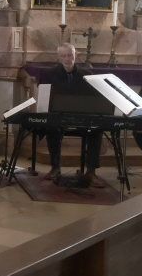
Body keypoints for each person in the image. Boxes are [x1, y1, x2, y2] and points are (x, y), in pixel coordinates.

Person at [38, 43, 105, 186]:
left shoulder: (87, 74)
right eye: (63, 56)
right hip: (60, 117)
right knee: (51, 128)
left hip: (82, 117)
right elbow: (45, 96)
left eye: (70, 55)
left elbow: (94, 99)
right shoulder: (50, 74)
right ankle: (55, 168)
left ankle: (91, 172)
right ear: (59, 57)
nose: (67, 59)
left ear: (75, 56)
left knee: (96, 131)